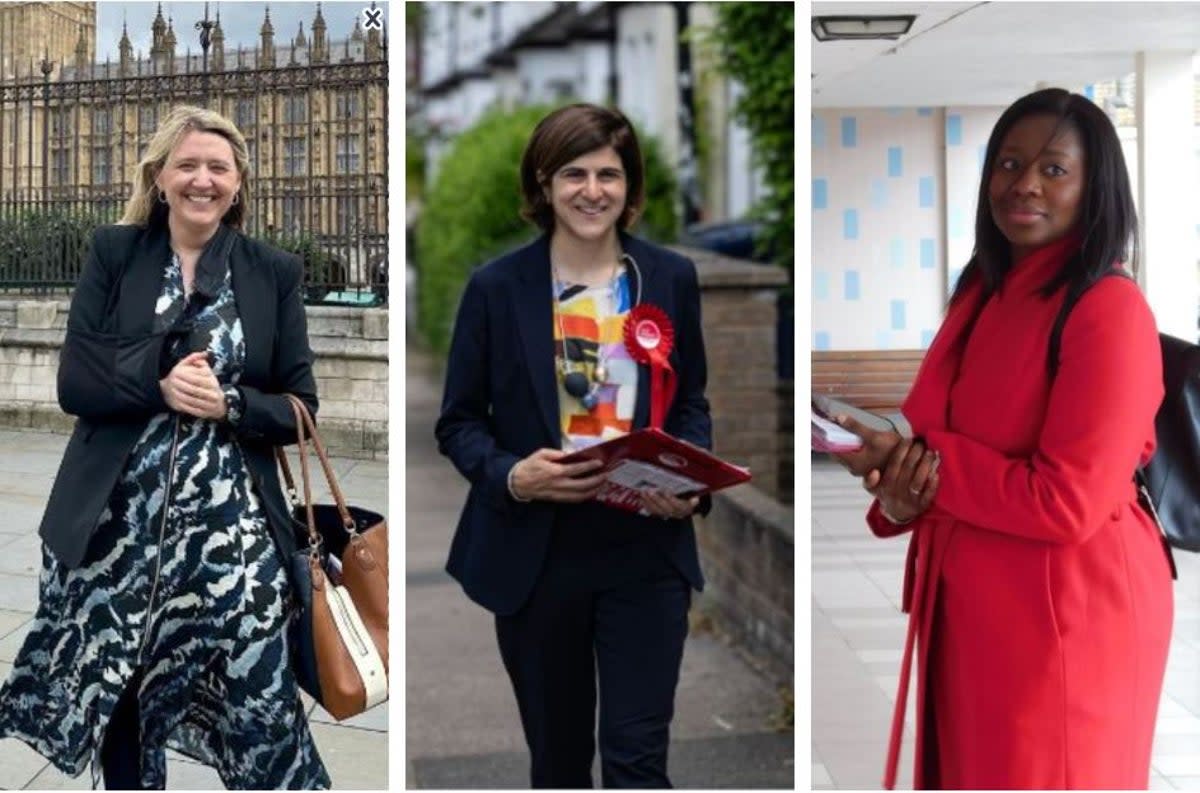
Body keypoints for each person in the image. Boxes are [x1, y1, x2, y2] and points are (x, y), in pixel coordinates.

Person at [832, 87, 1174, 789]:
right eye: (1009, 164)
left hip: (1065, 612)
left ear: (1094, 186)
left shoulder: (1110, 309)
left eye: (1054, 170)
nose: (1023, 184)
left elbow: (1069, 500)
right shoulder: (983, 290)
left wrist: (927, 466)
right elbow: (938, 437)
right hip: (974, 596)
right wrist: (895, 478)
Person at [0, 105, 329, 789]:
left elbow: (303, 408)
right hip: (113, 537)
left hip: (231, 544)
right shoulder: (114, 253)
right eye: (187, 165)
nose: (201, 179)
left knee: (260, 709)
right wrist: (159, 380)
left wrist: (231, 403)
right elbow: (75, 380)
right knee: (122, 710)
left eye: (217, 167)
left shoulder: (273, 272)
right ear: (158, 176)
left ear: (239, 183)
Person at [435, 103, 712, 788]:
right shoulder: (496, 289)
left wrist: (691, 482)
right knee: (558, 764)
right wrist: (510, 475)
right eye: (574, 173)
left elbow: (693, 401)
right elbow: (459, 421)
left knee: (637, 759)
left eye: (610, 175)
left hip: (645, 553)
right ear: (543, 183)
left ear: (630, 186)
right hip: (538, 557)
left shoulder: (668, 278)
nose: (593, 190)